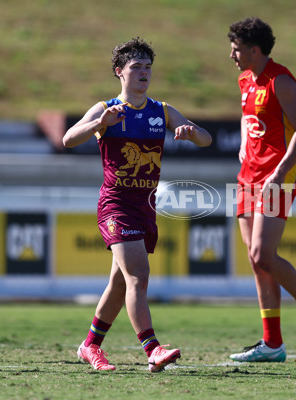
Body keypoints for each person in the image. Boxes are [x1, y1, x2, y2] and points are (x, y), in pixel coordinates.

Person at [62, 37, 212, 372]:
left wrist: (190, 131)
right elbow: (68, 139)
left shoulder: (162, 111)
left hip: (146, 206)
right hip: (115, 204)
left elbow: (206, 139)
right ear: (119, 72)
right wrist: (99, 124)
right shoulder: (107, 109)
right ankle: (153, 349)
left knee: (120, 282)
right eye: (136, 67)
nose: (144, 73)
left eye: (148, 68)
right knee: (138, 277)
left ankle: (90, 346)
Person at [227, 17, 296, 362]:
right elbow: (247, 118)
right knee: (258, 263)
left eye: (237, 48)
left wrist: (281, 169)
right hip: (247, 176)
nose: (232, 54)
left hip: (276, 178)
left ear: (255, 50)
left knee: (263, 255)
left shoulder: (281, 81)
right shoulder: (245, 78)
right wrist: (244, 144)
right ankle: (272, 343)